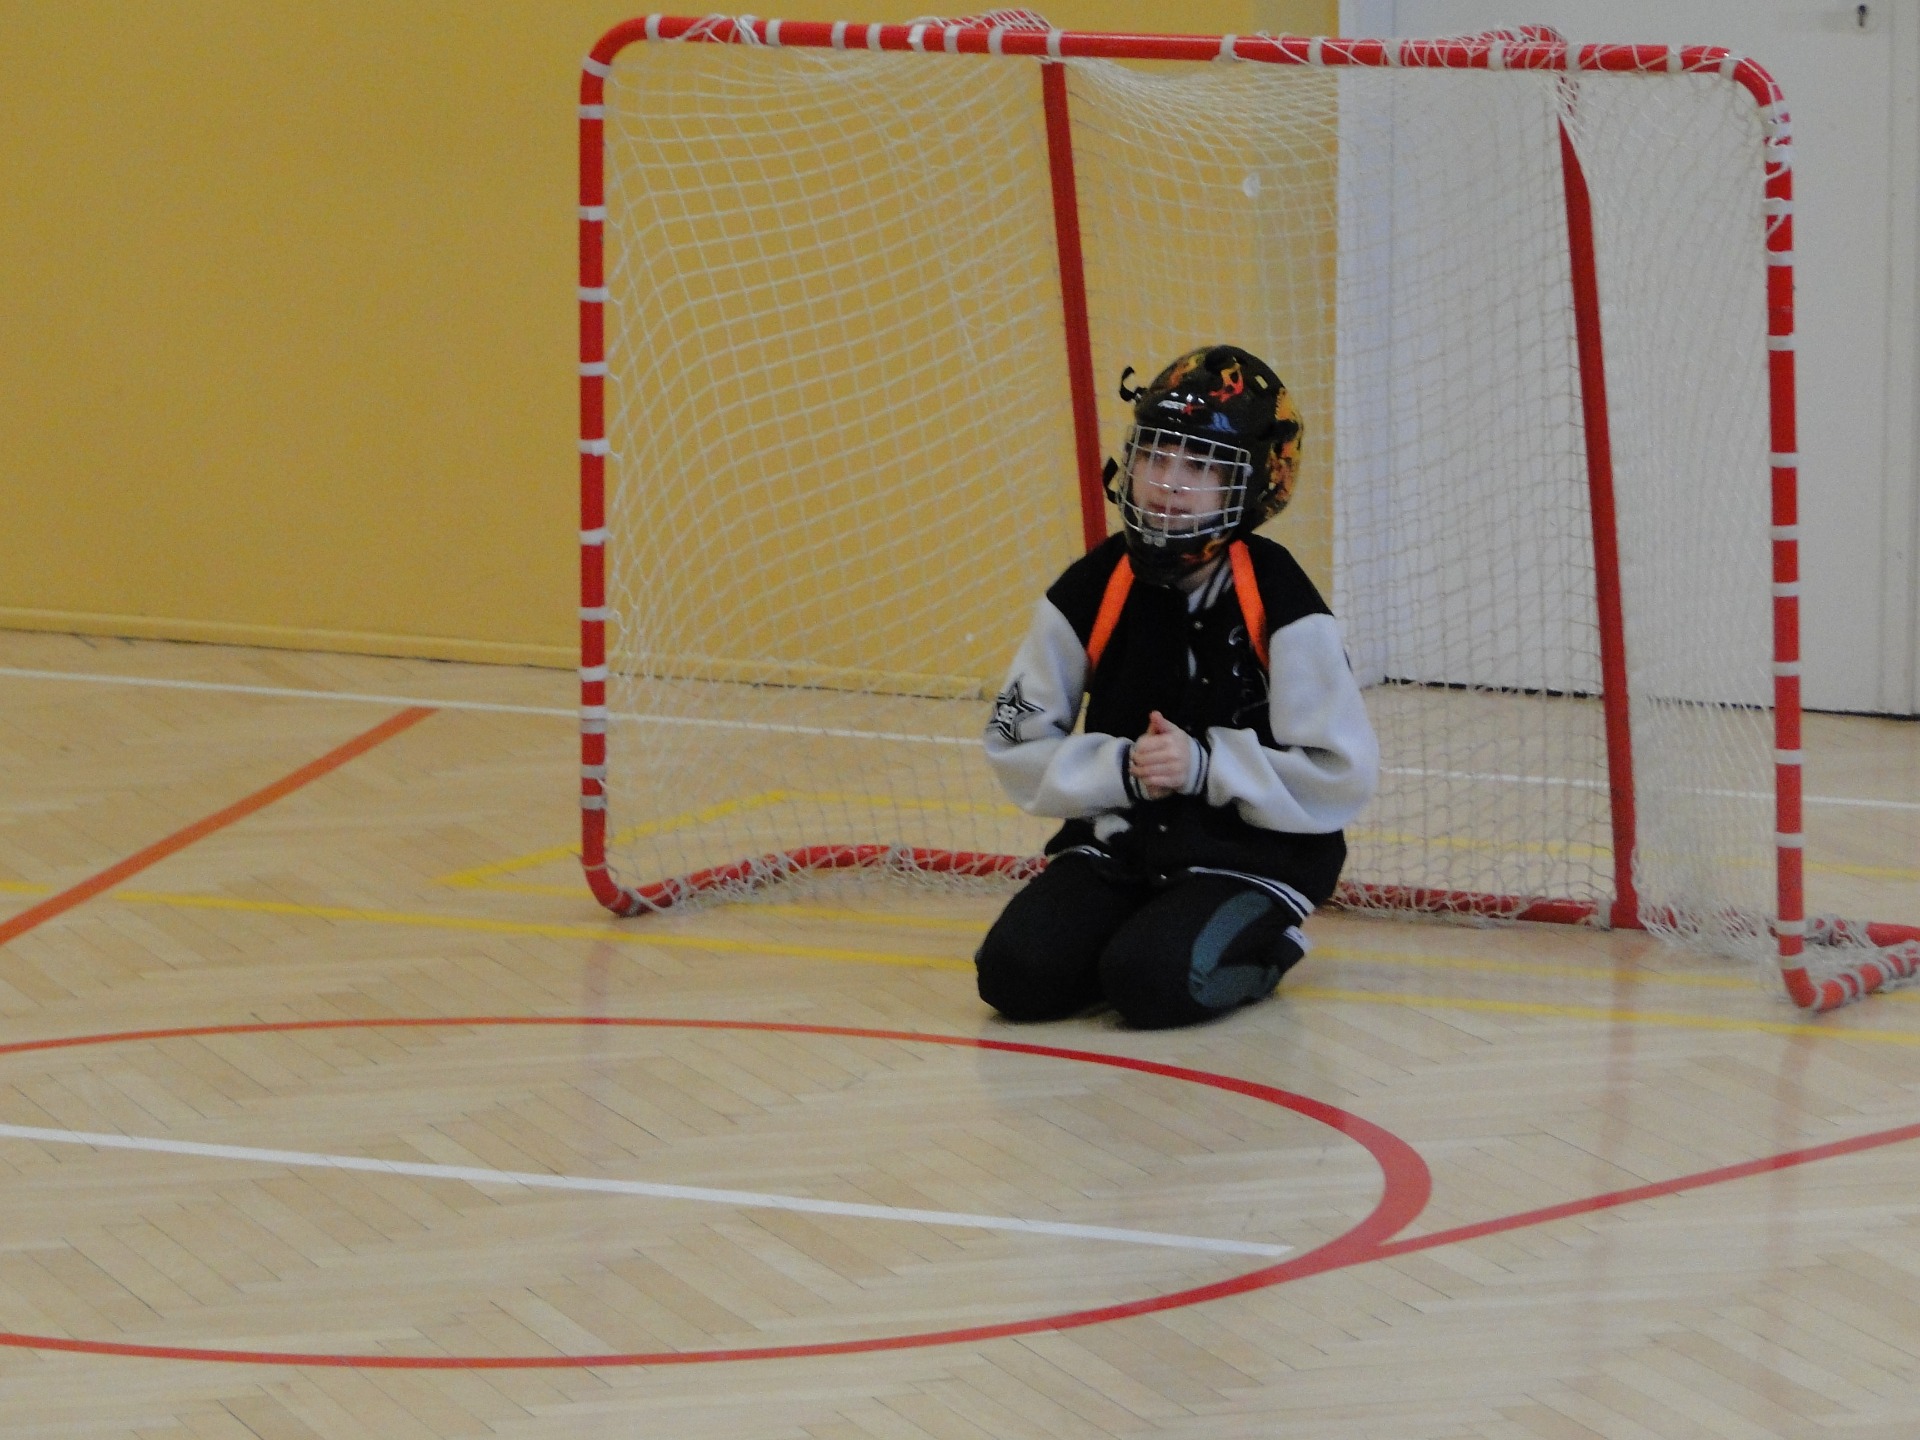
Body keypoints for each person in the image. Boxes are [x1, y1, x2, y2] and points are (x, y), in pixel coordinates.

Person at [976, 345, 1378, 1029]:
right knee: (1015, 976)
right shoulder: (1094, 586)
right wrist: (1117, 770)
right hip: (1122, 843)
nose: (1167, 483)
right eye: (1156, 457)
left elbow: (1342, 771)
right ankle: (1138, 926)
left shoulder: (1280, 598)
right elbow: (1014, 736)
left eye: (1199, 467)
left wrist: (1206, 767)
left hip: (1251, 856)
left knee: (1151, 983)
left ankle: (1267, 947)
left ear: (1252, 485)